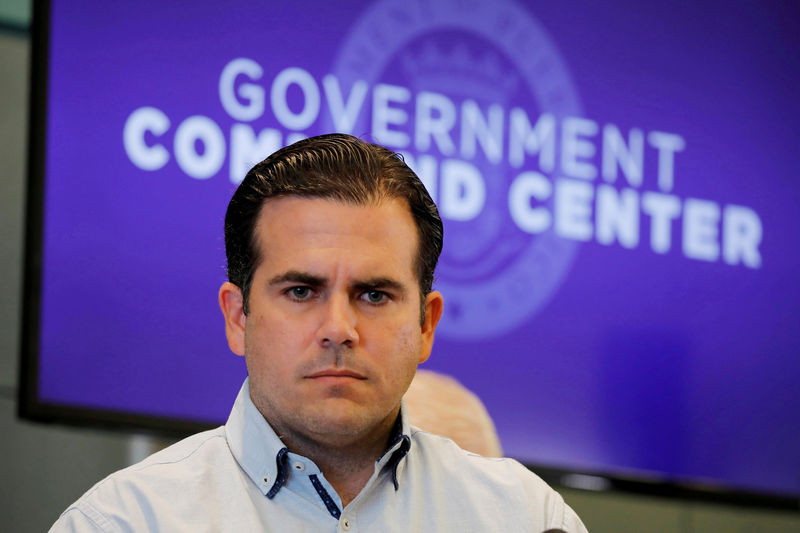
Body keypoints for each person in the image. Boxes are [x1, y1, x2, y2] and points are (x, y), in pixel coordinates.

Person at [50, 134, 587, 532]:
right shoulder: (123, 522)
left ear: (426, 325)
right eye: (302, 291)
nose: (338, 328)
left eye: (374, 295)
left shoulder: (526, 519)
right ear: (239, 317)